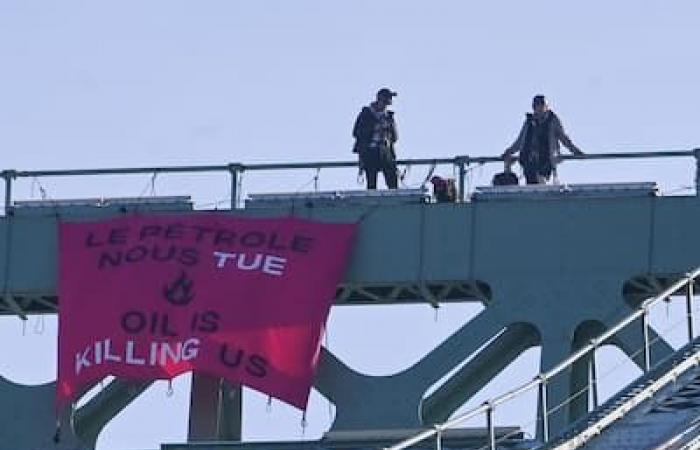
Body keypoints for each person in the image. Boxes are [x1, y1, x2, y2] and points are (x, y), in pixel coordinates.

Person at [502, 95, 584, 184]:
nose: (539, 108)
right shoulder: (529, 122)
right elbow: (520, 141)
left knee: (540, 178)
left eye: (541, 105)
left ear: (546, 107)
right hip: (529, 159)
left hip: (546, 159)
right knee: (531, 177)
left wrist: (575, 151)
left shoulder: (552, 121)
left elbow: (563, 138)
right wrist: (509, 151)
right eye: (537, 106)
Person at [352, 88, 399, 189]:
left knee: (392, 180)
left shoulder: (389, 116)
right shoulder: (366, 114)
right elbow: (356, 132)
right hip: (370, 151)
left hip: (386, 151)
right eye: (387, 98)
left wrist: (387, 135)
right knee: (371, 181)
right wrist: (373, 129)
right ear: (381, 99)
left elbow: (395, 137)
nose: (389, 101)